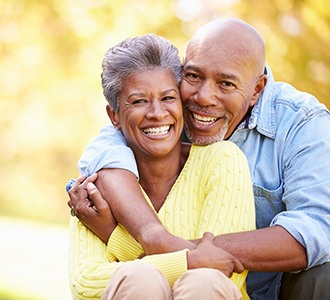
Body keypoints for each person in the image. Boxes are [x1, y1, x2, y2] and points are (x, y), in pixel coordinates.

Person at [70, 17, 330, 300]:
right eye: (193, 76)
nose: (204, 97)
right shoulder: (165, 112)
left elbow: (316, 229)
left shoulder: (301, 123)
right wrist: (163, 244)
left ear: (257, 90)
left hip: (271, 288)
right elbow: (108, 146)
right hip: (163, 287)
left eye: (226, 84)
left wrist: (125, 237)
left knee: (323, 276)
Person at [67, 33, 256, 300]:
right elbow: (86, 283)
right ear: (114, 116)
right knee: (139, 280)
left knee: (202, 283)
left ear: (181, 102)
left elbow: (223, 272)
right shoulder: (96, 184)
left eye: (168, 98)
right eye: (139, 101)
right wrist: (189, 262)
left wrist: (113, 235)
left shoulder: (222, 160)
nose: (157, 113)